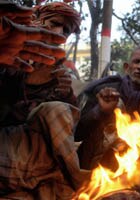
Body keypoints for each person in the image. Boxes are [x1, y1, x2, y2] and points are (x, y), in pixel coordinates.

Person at [0, 2, 90, 198]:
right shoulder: (8, 51)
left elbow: (68, 125)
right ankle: (78, 184)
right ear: (35, 20)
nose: (60, 32)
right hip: (9, 144)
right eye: (55, 23)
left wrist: (65, 93)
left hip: (38, 151)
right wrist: (27, 83)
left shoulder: (60, 69)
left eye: (66, 30)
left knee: (57, 110)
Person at [75, 45, 140, 170]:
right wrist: (101, 111)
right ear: (127, 67)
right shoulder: (106, 91)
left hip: (134, 170)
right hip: (94, 165)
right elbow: (78, 133)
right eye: (136, 62)